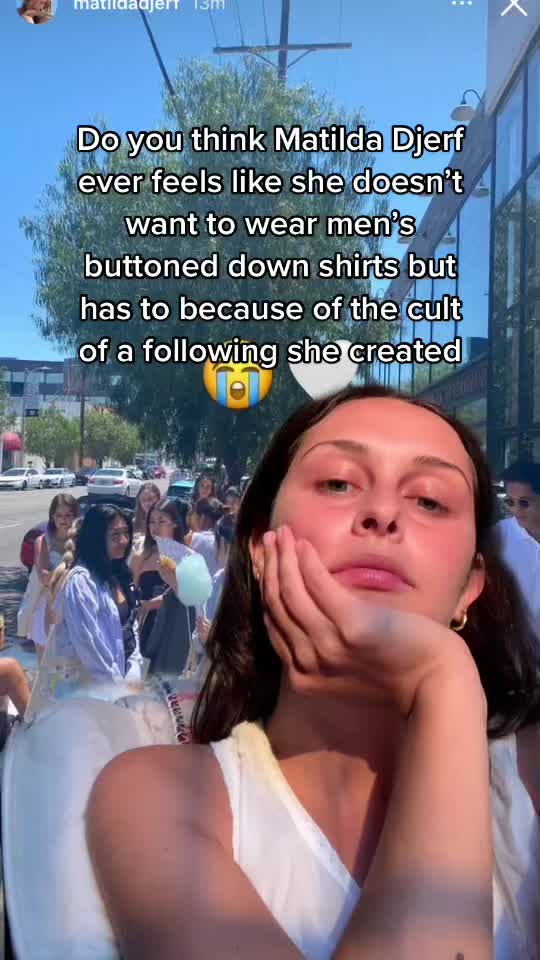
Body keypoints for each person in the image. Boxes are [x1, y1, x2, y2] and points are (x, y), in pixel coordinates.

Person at [87, 385, 540, 960]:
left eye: (429, 500)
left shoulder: (528, 779)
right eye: (338, 483)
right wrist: (445, 680)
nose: (383, 514)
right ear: (259, 547)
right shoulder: (158, 797)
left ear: (470, 588)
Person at [50, 504, 144, 684]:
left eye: (126, 532)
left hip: (125, 679)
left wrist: (134, 670)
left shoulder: (119, 572)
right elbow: (89, 646)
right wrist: (116, 690)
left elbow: (131, 627)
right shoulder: (81, 582)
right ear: (96, 538)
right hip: (94, 689)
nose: (124, 540)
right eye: (115, 535)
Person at [136, 498, 197, 676]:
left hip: (173, 625)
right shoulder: (142, 554)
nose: (155, 527)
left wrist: (153, 602)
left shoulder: (187, 556)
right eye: (152, 522)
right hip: (145, 623)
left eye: (161, 521)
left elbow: (193, 599)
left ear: (175, 523)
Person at [30, 494, 80, 662]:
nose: (64, 520)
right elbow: (43, 577)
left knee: (72, 665)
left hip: (76, 605)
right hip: (49, 604)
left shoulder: (82, 540)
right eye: (59, 515)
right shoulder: (43, 541)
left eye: (68, 515)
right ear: (52, 517)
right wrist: (69, 573)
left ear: (75, 516)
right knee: (46, 664)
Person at [496, 460, 540, 643]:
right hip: (510, 649)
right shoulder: (497, 537)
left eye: (524, 503)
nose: (516, 511)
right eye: (509, 502)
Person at [190, 497, 226, 577]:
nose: (192, 519)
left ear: (202, 517)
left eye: (194, 515)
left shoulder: (195, 539)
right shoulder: (225, 540)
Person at [132, 483, 161, 552]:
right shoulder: (134, 522)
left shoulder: (167, 521)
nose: (146, 503)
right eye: (143, 500)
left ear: (158, 498)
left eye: (150, 499)